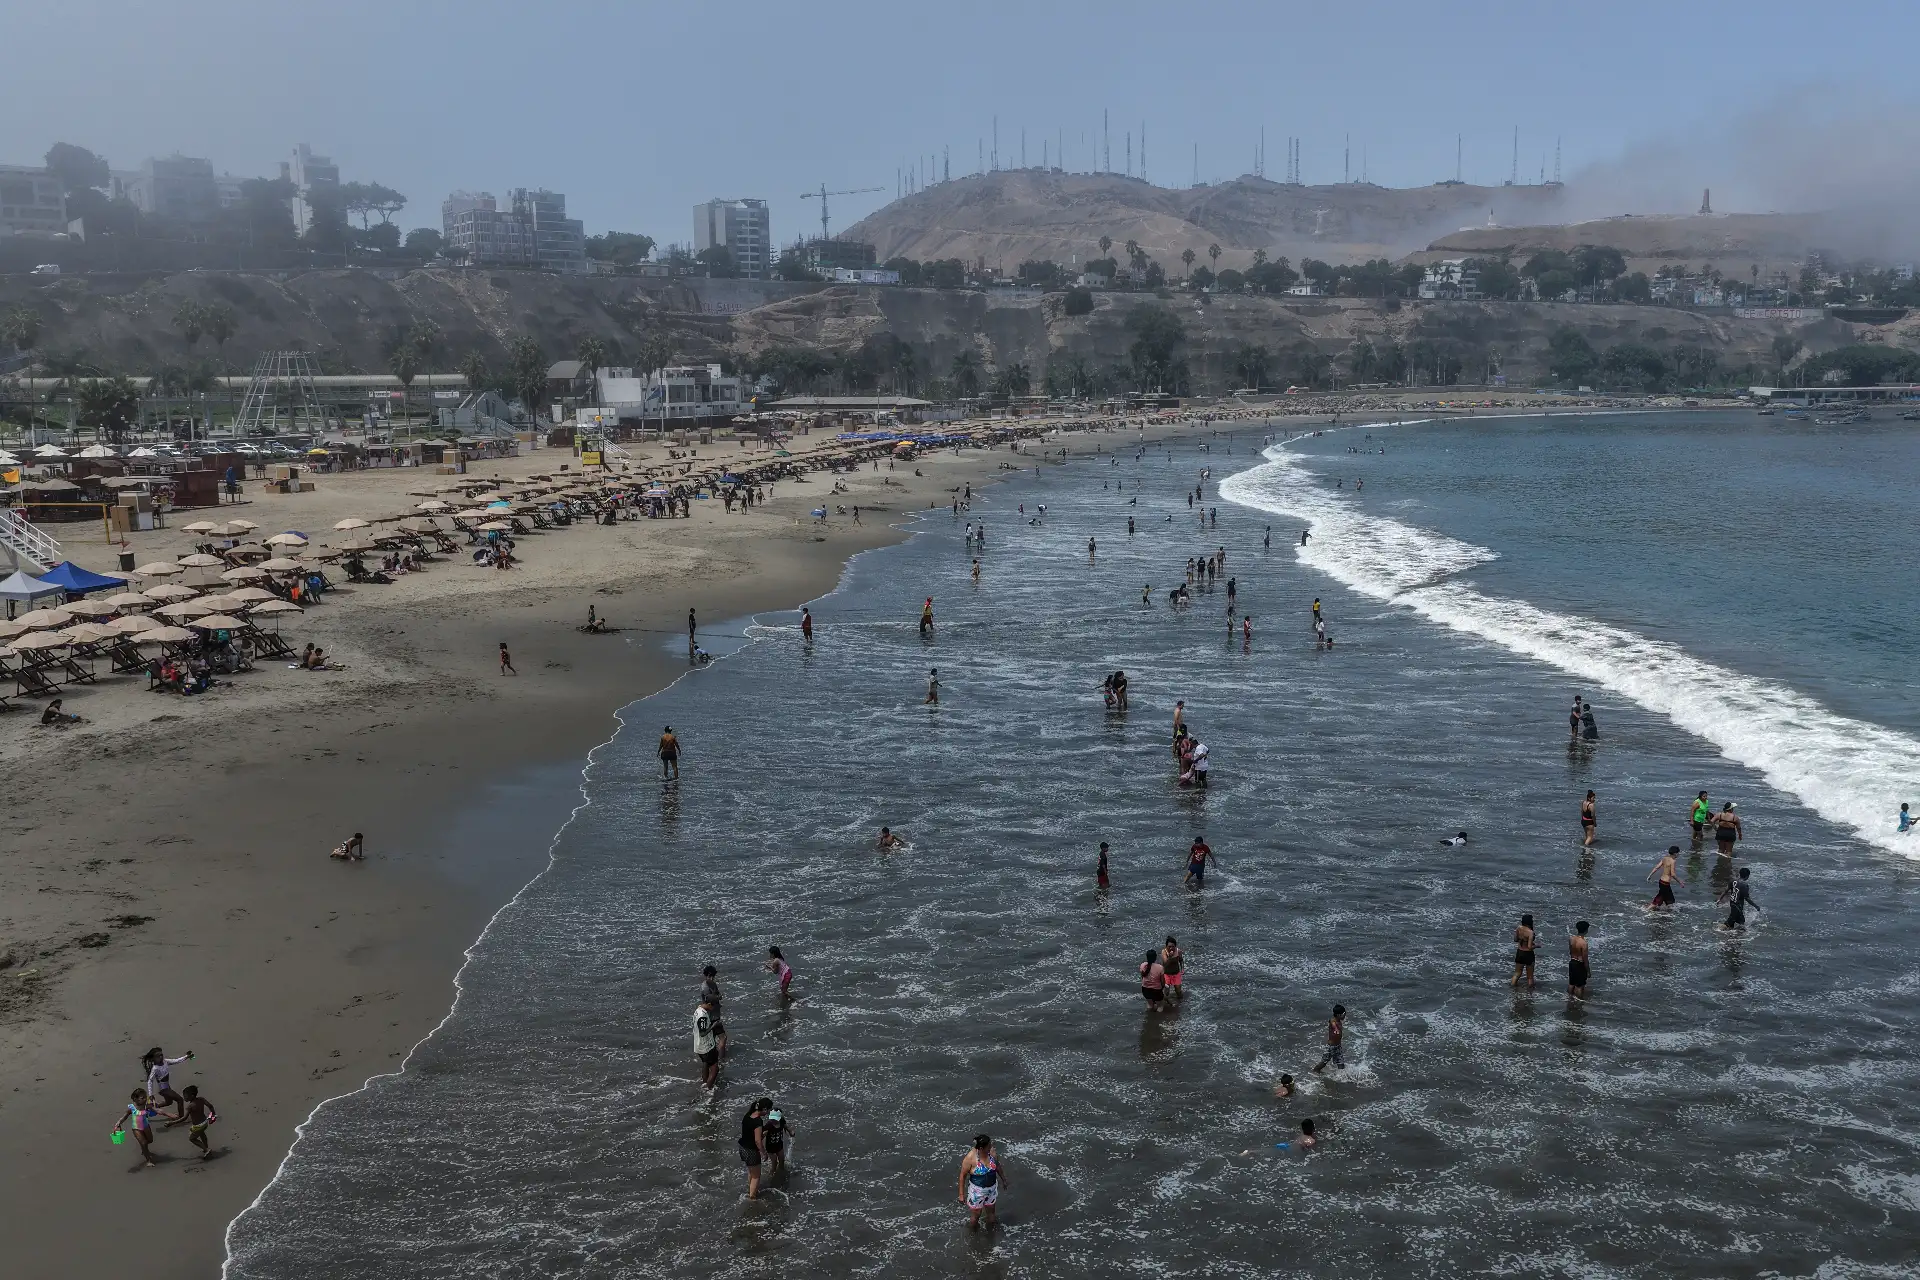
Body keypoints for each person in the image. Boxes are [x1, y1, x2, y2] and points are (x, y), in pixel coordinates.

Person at [958, 1134, 1004, 1230]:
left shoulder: (992, 1153)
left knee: (991, 1214)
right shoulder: (970, 1158)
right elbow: (962, 1176)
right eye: (989, 1146)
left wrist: (1004, 1180)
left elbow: (998, 1166)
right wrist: (961, 1194)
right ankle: (972, 1234)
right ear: (981, 1148)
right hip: (977, 1192)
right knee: (976, 1216)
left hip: (991, 1189)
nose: (991, 1147)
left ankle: (991, 1235)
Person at [142, 1046, 194, 1123]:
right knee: (179, 1099)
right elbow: (150, 1081)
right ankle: (181, 1117)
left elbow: (176, 1060)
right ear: (153, 1059)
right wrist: (150, 1095)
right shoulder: (155, 1068)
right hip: (163, 1089)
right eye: (158, 1056)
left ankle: (150, 1107)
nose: (161, 1057)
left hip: (167, 1087)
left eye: (161, 1055)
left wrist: (186, 1056)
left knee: (169, 1102)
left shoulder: (165, 1061)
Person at [114, 1089, 160, 1168]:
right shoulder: (131, 1108)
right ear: (135, 1099)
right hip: (136, 1128)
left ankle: (144, 1149)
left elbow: (155, 1111)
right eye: (142, 1098)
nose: (145, 1099)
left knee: (150, 1140)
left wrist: (155, 1104)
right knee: (144, 1143)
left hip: (146, 1126)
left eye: (145, 1097)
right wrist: (119, 1122)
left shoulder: (146, 1106)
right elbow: (125, 1117)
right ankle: (148, 1160)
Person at [739, 1098, 770, 1198]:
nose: (768, 1112)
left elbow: (750, 1135)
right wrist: (764, 1153)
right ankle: (752, 1198)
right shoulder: (758, 1121)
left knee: (752, 1172)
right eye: (768, 1110)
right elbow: (757, 1141)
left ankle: (751, 1190)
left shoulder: (747, 1115)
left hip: (743, 1148)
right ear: (764, 1109)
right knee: (756, 1176)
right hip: (751, 1151)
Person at [180, 1085, 218, 1160]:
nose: (184, 1097)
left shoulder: (190, 1106)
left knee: (192, 1138)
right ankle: (206, 1148)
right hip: (205, 1122)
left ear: (192, 1096)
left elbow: (184, 1118)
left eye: (185, 1096)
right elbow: (210, 1106)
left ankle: (207, 1150)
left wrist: (172, 1123)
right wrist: (213, 1114)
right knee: (202, 1134)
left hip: (198, 1126)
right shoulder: (201, 1099)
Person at [1720, 866, 1760, 930]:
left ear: (1740, 874)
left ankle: (1732, 935)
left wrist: (1719, 899)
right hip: (1738, 905)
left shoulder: (1733, 881)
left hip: (1732, 903)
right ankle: (1719, 930)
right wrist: (1756, 906)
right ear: (1747, 876)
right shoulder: (1744, 885)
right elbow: (1747, 898)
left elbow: (1725, 891)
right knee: (1733, 922)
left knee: (1739, 922)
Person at [694, 995, 722, 1088]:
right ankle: (708, 1089)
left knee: (705, 1063)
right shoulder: (702, 1016)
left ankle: (704, 1082)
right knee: (715, 1069)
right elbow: (702, 1033)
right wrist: (714, 1025)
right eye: (713, 1006)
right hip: (706, 1047)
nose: (713, 1008)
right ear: (709, 1004)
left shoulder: (698, 1010)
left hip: (699, 1046)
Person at [1313, 1005, 1347, 1073]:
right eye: (1343, 1014)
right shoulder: (1333, 1021)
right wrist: (1336, 1029)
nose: (1345, 1016)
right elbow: (1333, 1025)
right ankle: (1315, 1071)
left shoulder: (1339, 1020)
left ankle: (1341, 1078)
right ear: (1338, 1015)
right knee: (1324, 1062)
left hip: (1338, 1047)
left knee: (1341, 1064)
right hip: (1331, 1047)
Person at [761, 1104, 791, 1179]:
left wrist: (791, 1132)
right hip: (770, 1148)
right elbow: (762, 1135)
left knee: (782, 1161)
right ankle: (771, 1176)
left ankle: (781, 1175)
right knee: (774, 1163)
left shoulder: (782, 1122)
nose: (773, 1120)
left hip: (779, 1145)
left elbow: (786, 1127)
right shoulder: (769, 1125)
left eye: (775, 1119)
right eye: (772, 1118)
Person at [1512, 914, 1537, 989]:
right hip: (1528, 954)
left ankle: (1512, 989)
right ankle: (1529, 995)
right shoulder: (1530, 932)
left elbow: (1515, 939)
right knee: (1530, 977)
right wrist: (1537, 946)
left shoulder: (1518, 928)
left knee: (1517, 974)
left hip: (1519, 952)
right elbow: (1529, 947)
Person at [1568, 921, 1591, 1000]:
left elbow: (1571, 952)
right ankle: (1579, 1001)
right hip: (1579, 964)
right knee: (1580, 986)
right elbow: (1585, 959)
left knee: (1571, 983)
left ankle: (1569, 998)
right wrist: (1588, 971)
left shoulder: (1571, 939)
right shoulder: (1584, 943)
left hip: (1572, 962)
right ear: (1586, 930)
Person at [1161, 936, 1186, 1001]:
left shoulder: (1178, 951)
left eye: (1173, 946)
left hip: (1176, 973)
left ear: (1175, 946)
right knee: (1166, 991)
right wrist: (1169, 957)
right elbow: (1165, 963)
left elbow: (1181, 960)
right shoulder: (1164, 952)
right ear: (1166, 946)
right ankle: (1166, 1004)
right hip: (1166, 974)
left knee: (1178, 991)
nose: (1171, 948)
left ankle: (1181, 1003)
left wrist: (1182, 969)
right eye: (1169, 946)